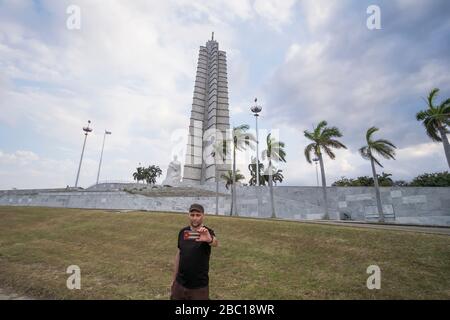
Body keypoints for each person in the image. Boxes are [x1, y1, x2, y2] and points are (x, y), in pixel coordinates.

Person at [170, 203, 218, 300]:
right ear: (188, 215)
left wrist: (209, 240)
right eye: (192, 215)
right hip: (180, 285)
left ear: (203, 216)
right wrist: (174, 280)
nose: (195, 218)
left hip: (199, 287)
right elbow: (179, 254)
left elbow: (215, 243)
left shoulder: (207, 232)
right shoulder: (183, 232)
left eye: (198, 215)